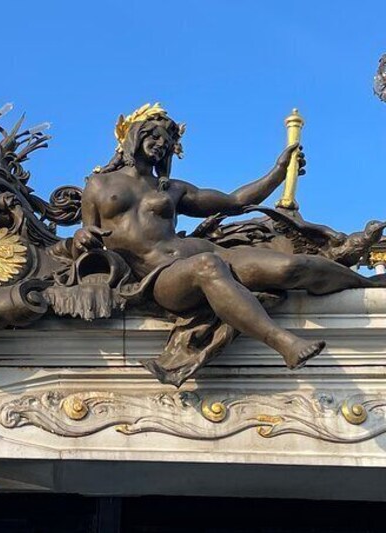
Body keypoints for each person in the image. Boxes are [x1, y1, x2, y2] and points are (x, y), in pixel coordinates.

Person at [78, 103, 380, 373]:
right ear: (134, 135)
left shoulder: (171, 188)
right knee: (206, 266)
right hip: (162, 278)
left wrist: (278, 171)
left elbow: (234, 202)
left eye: (168, 142)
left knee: (291, 267)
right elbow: (85, 238)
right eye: (154, 136)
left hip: (211, 254)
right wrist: (81, 237)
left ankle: (369, 285)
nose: (161, 145)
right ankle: (284, 344)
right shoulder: (98, 184)